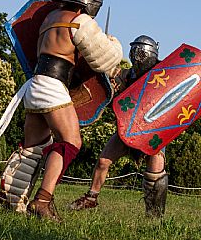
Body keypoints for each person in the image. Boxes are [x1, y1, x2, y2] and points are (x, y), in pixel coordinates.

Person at [0, 0, 123, 222]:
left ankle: (11, 199)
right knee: (71, 142)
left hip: (34, 85)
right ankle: (42, 201)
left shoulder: (49, 18)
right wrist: (113, 42)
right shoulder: (80, 21)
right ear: (92, 3)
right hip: (53, 87)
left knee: (33, 147)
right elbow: (105, 60)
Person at [69, 35, 168, 218]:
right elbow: (108, 81)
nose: (136, 56)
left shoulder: (164, 74)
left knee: (155, 175)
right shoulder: (125, 75)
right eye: (134, 52)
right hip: (128, 129)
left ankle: (154, 215)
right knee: (103, 162)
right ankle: (91, 198)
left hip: (152, 132)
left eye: (139, 52)